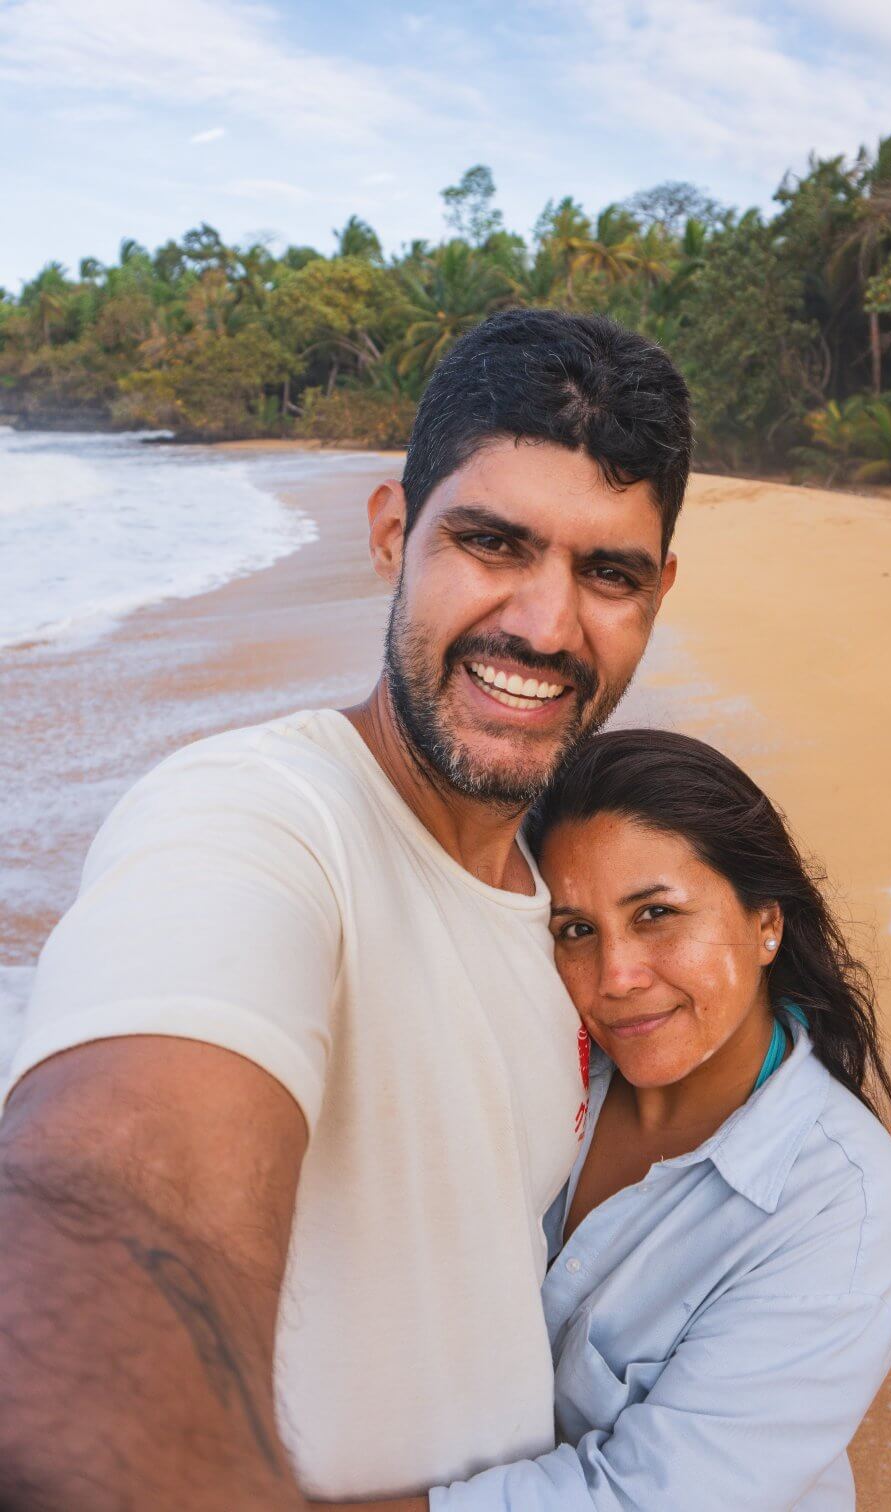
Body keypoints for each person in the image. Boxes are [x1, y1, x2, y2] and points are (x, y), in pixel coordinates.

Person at [0, 311, 691, 1510]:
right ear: (391, 534)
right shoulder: (254, 818)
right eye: (493, 543)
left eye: (608, 572)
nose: (544, 623)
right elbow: (112, 1191)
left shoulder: (564, 907)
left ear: (659, 593)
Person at [352, 730, 891, 1512]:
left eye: (655, 913)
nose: (615, 977)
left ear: (766, 923)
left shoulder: (839, 1206)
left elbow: (643, 1498)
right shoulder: (533, 1070)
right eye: (576, 930)